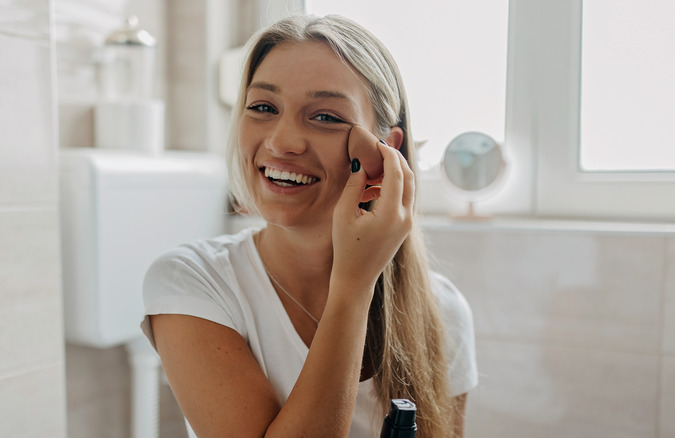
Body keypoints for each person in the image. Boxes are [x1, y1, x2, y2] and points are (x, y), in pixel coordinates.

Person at [141, 14, 477, 438]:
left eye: (325, 117)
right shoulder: (192, 283)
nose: (283, 142)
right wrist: (353, 287)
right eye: (263, 107)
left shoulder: (442, 310)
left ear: (385, 150)